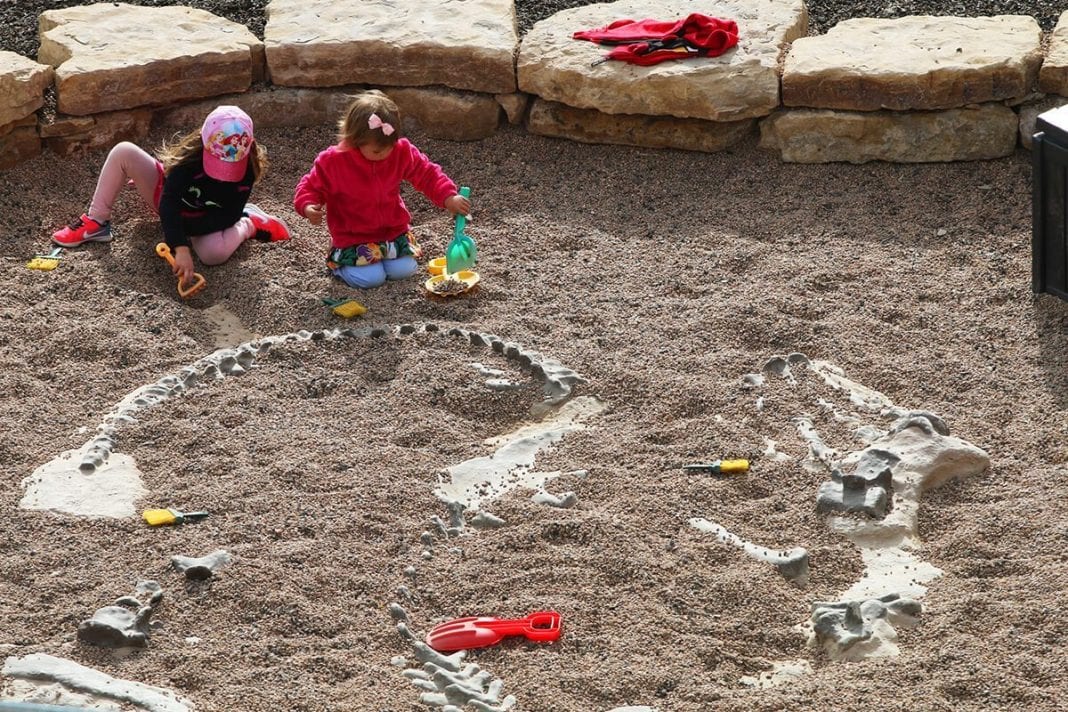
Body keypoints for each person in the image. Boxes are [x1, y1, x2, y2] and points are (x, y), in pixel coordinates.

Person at [52, 105, 291, 285]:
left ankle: (248, 224)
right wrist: (181, 247)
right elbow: (169, 202)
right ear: (204, 141)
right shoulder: (189, 159)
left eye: (229, 165)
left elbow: (226, 216)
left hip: (205, 220)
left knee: (213, 255)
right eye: (217, 162)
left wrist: (183, 233)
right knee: (124, 151)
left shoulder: (246, 169)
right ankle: (97, 221)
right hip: (168, 199)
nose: (222, 174)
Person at [293, 90, 471, 289]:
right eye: (377, 151)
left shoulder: (400, 151)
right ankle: (338, 264)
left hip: (392, 232)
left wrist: (448, 197)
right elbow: (310, 186)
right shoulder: (334, 161)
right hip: (353, 236)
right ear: (355, 140)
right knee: (371, 279)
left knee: (404, 270)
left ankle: (382, 259)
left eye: (390, 147)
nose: (385, 154)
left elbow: (427, 174)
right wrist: (308, 206)